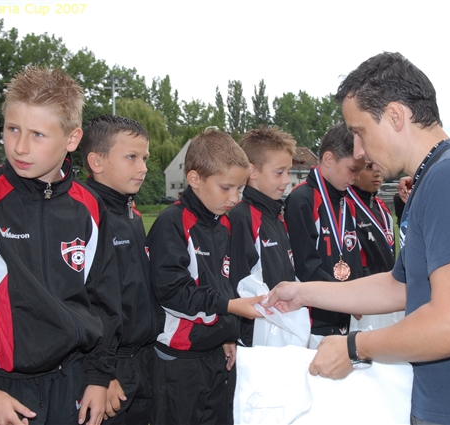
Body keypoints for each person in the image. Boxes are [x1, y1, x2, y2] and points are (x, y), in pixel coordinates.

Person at [265, 52, 450, 425]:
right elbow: (402, 286)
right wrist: (305, 293)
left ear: (395, 116)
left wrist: (355, 347)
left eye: (359, 131)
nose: (358, 151)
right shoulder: (447, 172)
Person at [0, 66, 121, 425]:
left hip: (73, 382)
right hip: (1, 388)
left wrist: (99, 376)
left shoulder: (90, 207)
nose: (20, 146)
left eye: (37, 134)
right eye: (12, 129)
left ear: (72, 138)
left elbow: (105, 299)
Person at [146, 128, 264, 425]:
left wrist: (228, 334)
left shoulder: (223, 224)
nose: (234, 198)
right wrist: (230, 307)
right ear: (194, 178)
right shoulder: (172, 222)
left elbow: (223, 284)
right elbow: (172, 293)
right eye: (226, 188)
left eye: (239, 189)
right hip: (178, 361)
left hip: (215, 354)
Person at [80, 115, 162, 423]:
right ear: (96, 162)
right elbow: (83, 303)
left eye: (144, 158)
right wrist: (103, 373)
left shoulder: (132, 215)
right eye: (132, 157)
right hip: (111, 370)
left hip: (144, 360)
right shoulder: (83, 216)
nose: (143, 167)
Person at [283, 122, 367, 347]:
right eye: (352, 169)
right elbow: (305, 267)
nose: (357, 177)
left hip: (346, 318)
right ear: (328, 159)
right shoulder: (302, 200)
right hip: (314, 323)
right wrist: (349, 298)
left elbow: (356, 260)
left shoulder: (347, 202)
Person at [229, 126, 298, 347]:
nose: (286, 180)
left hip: (282, 328)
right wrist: (241, 336)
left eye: (288, 172)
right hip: (256, 335)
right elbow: (236, 284)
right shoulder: (242, 216)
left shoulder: (277, 214)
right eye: (279, 172)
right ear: (252, 171)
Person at [347, 162, 395, 273]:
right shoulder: (344, 207)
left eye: (379, 166)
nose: (377, 173)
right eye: (369, 167)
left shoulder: (383, 208)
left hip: (388, 281)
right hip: (361, 282)